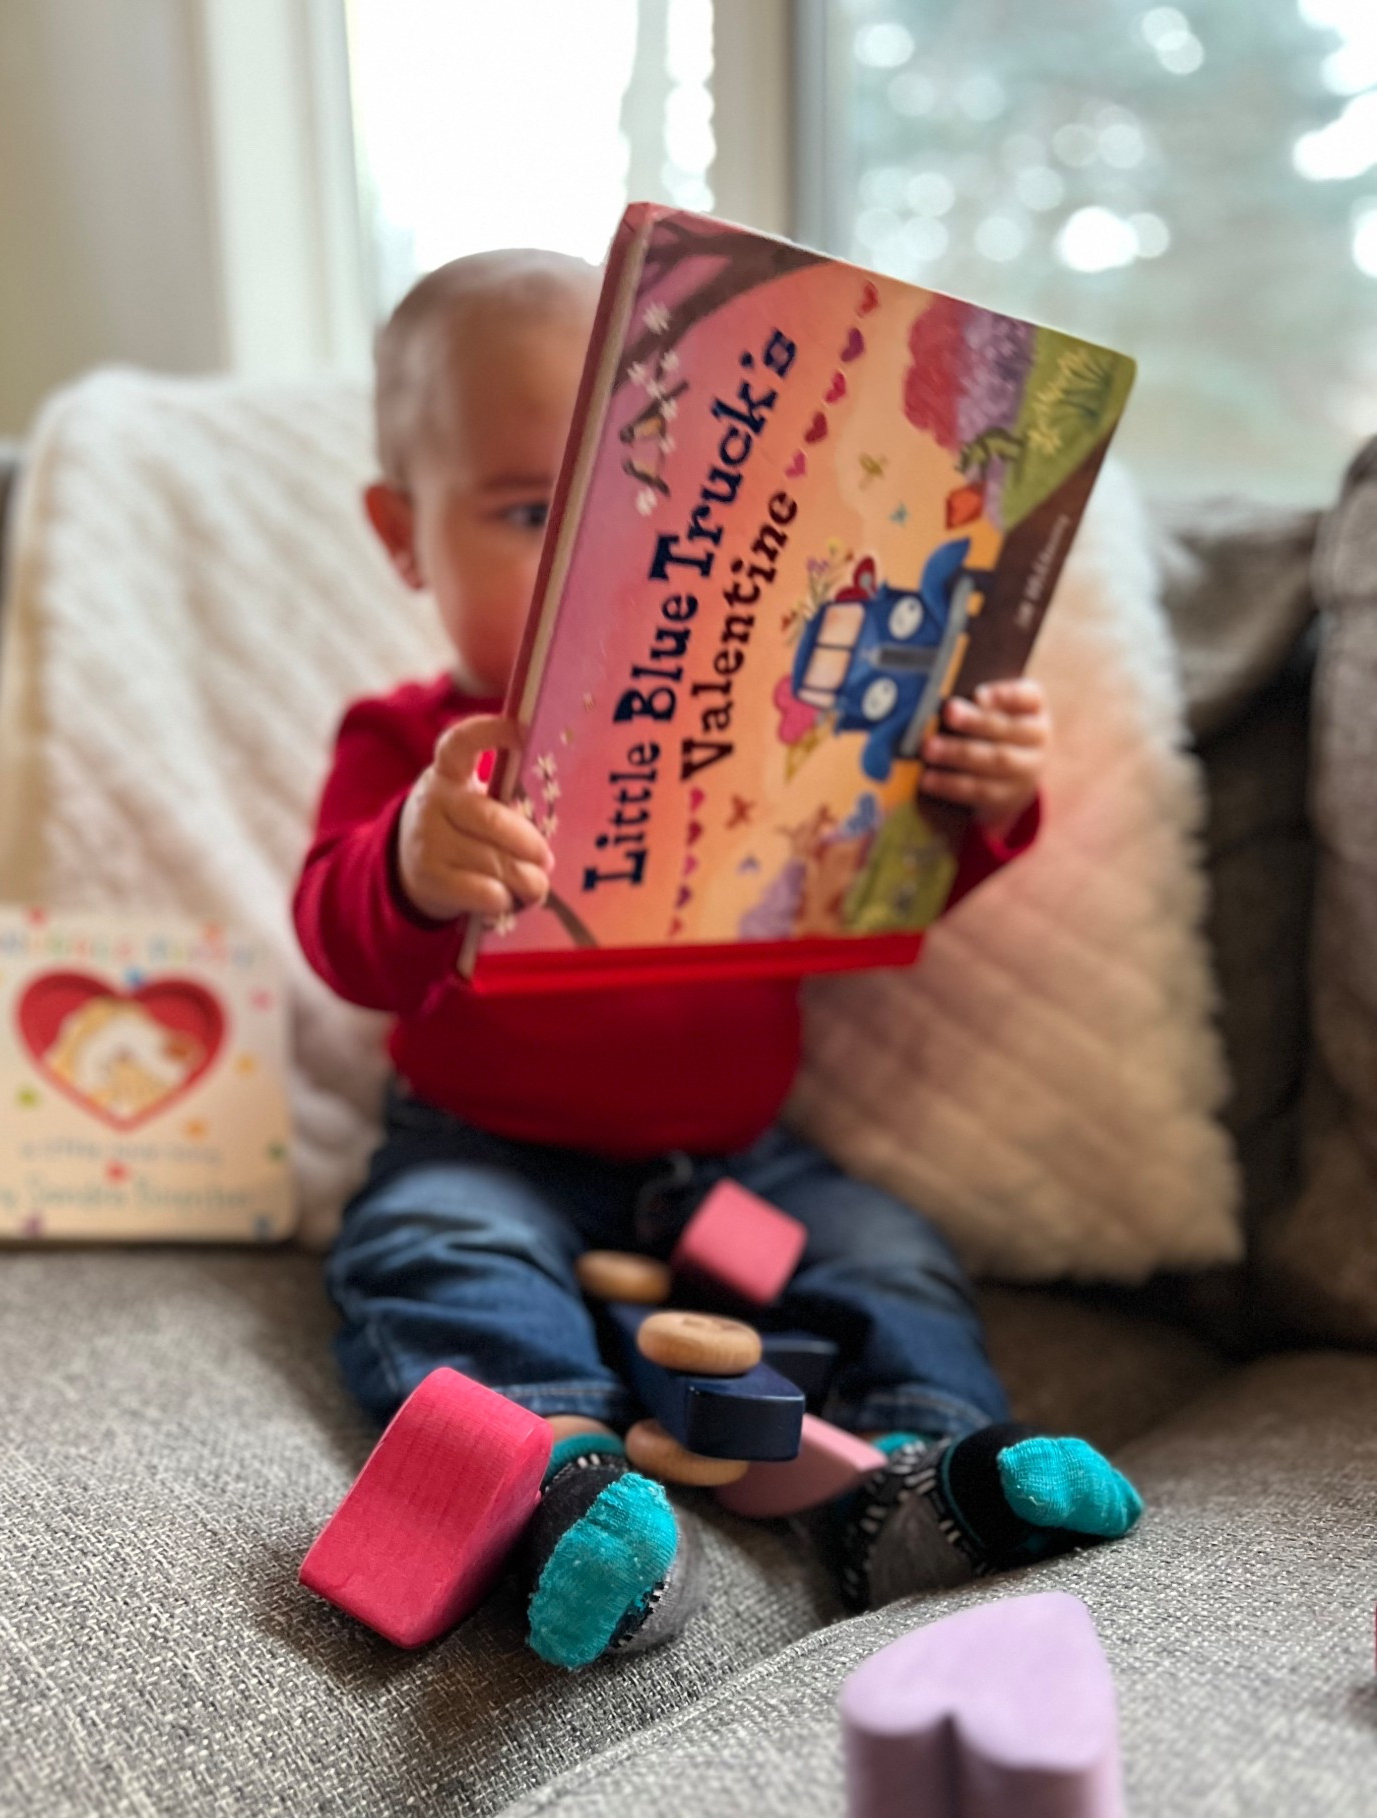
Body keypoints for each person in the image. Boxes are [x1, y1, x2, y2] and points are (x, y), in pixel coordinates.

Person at [294, 249, 1141, 1672]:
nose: (598, 565)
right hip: (489, 1145)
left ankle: (920, 1481)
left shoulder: (772, 717)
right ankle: (558, 1492)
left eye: (659, 511)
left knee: (884, 1252)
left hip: (739, 1168)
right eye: (527, 509)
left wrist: (981, 793)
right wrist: (411, 863)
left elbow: (885, 873)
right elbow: (341, 935)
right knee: (434, 1248)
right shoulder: (418, 748)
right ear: (404, 538)